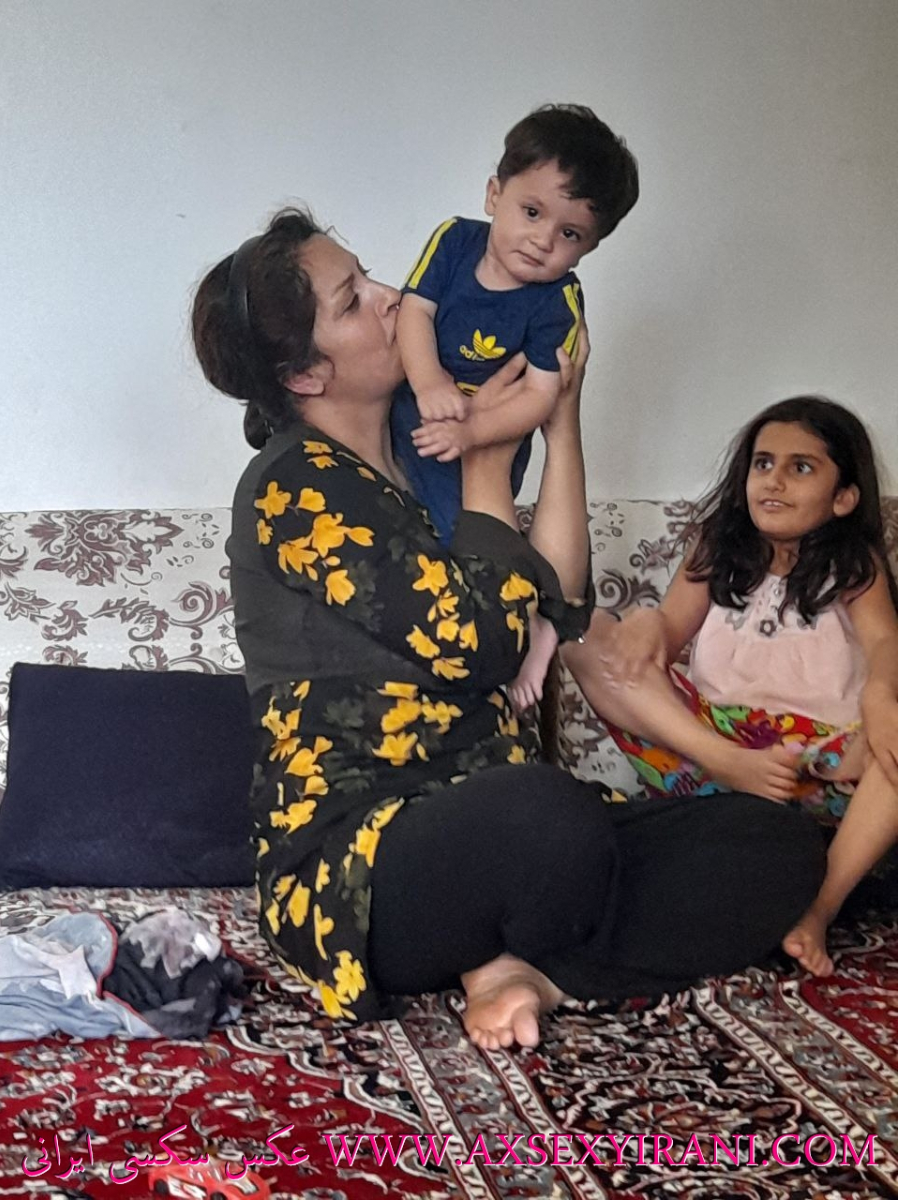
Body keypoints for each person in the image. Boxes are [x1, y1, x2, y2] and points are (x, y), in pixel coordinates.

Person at [192, 208, 825, 1050]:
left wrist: (557, 418)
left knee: (779, 841)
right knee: (544, 816)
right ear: (304, 374)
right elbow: (481, 648)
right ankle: (516, 943)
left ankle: (525, 967)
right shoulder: (295, 485)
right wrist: (489, 469)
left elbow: (559, 598)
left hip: (503, 830)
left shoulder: (422, 446)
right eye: (353, 300)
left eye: (369, 275)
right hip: (365, 864)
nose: (391, 297)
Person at [565, 397, 898, 977]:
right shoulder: (717, 548)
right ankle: (729, 764)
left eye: (800, 467)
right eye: (763, 463)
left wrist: (880, 698)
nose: (774, 480)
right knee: (579, 631)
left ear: (844, 497)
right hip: (710, 748)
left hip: (820, 760)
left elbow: (885, 643)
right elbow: (667, 631)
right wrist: (647, 625)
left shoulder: (853, 563)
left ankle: (818, 909)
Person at [392, 104, 639, 712]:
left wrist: (474, 430)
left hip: (486, 435)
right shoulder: (454, 241)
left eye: (570, 235)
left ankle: (539, 626)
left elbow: (540, 395)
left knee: (468, 544)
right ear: (493, 195)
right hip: (416, 418)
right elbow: (413, 312)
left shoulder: (558, 300)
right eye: (532, 212)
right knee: (415, 532)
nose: (543, 240)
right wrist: (430, 384)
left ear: (590, 247)